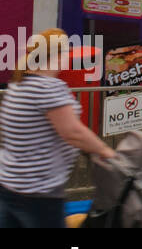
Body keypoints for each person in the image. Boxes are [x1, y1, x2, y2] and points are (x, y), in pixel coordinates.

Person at [0, 29, 116, 227]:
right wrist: (106, 151)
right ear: (58, 55)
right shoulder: (49, 87)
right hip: (40, 192)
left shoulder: (17, 85)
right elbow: (73, 132)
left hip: (9, 186)